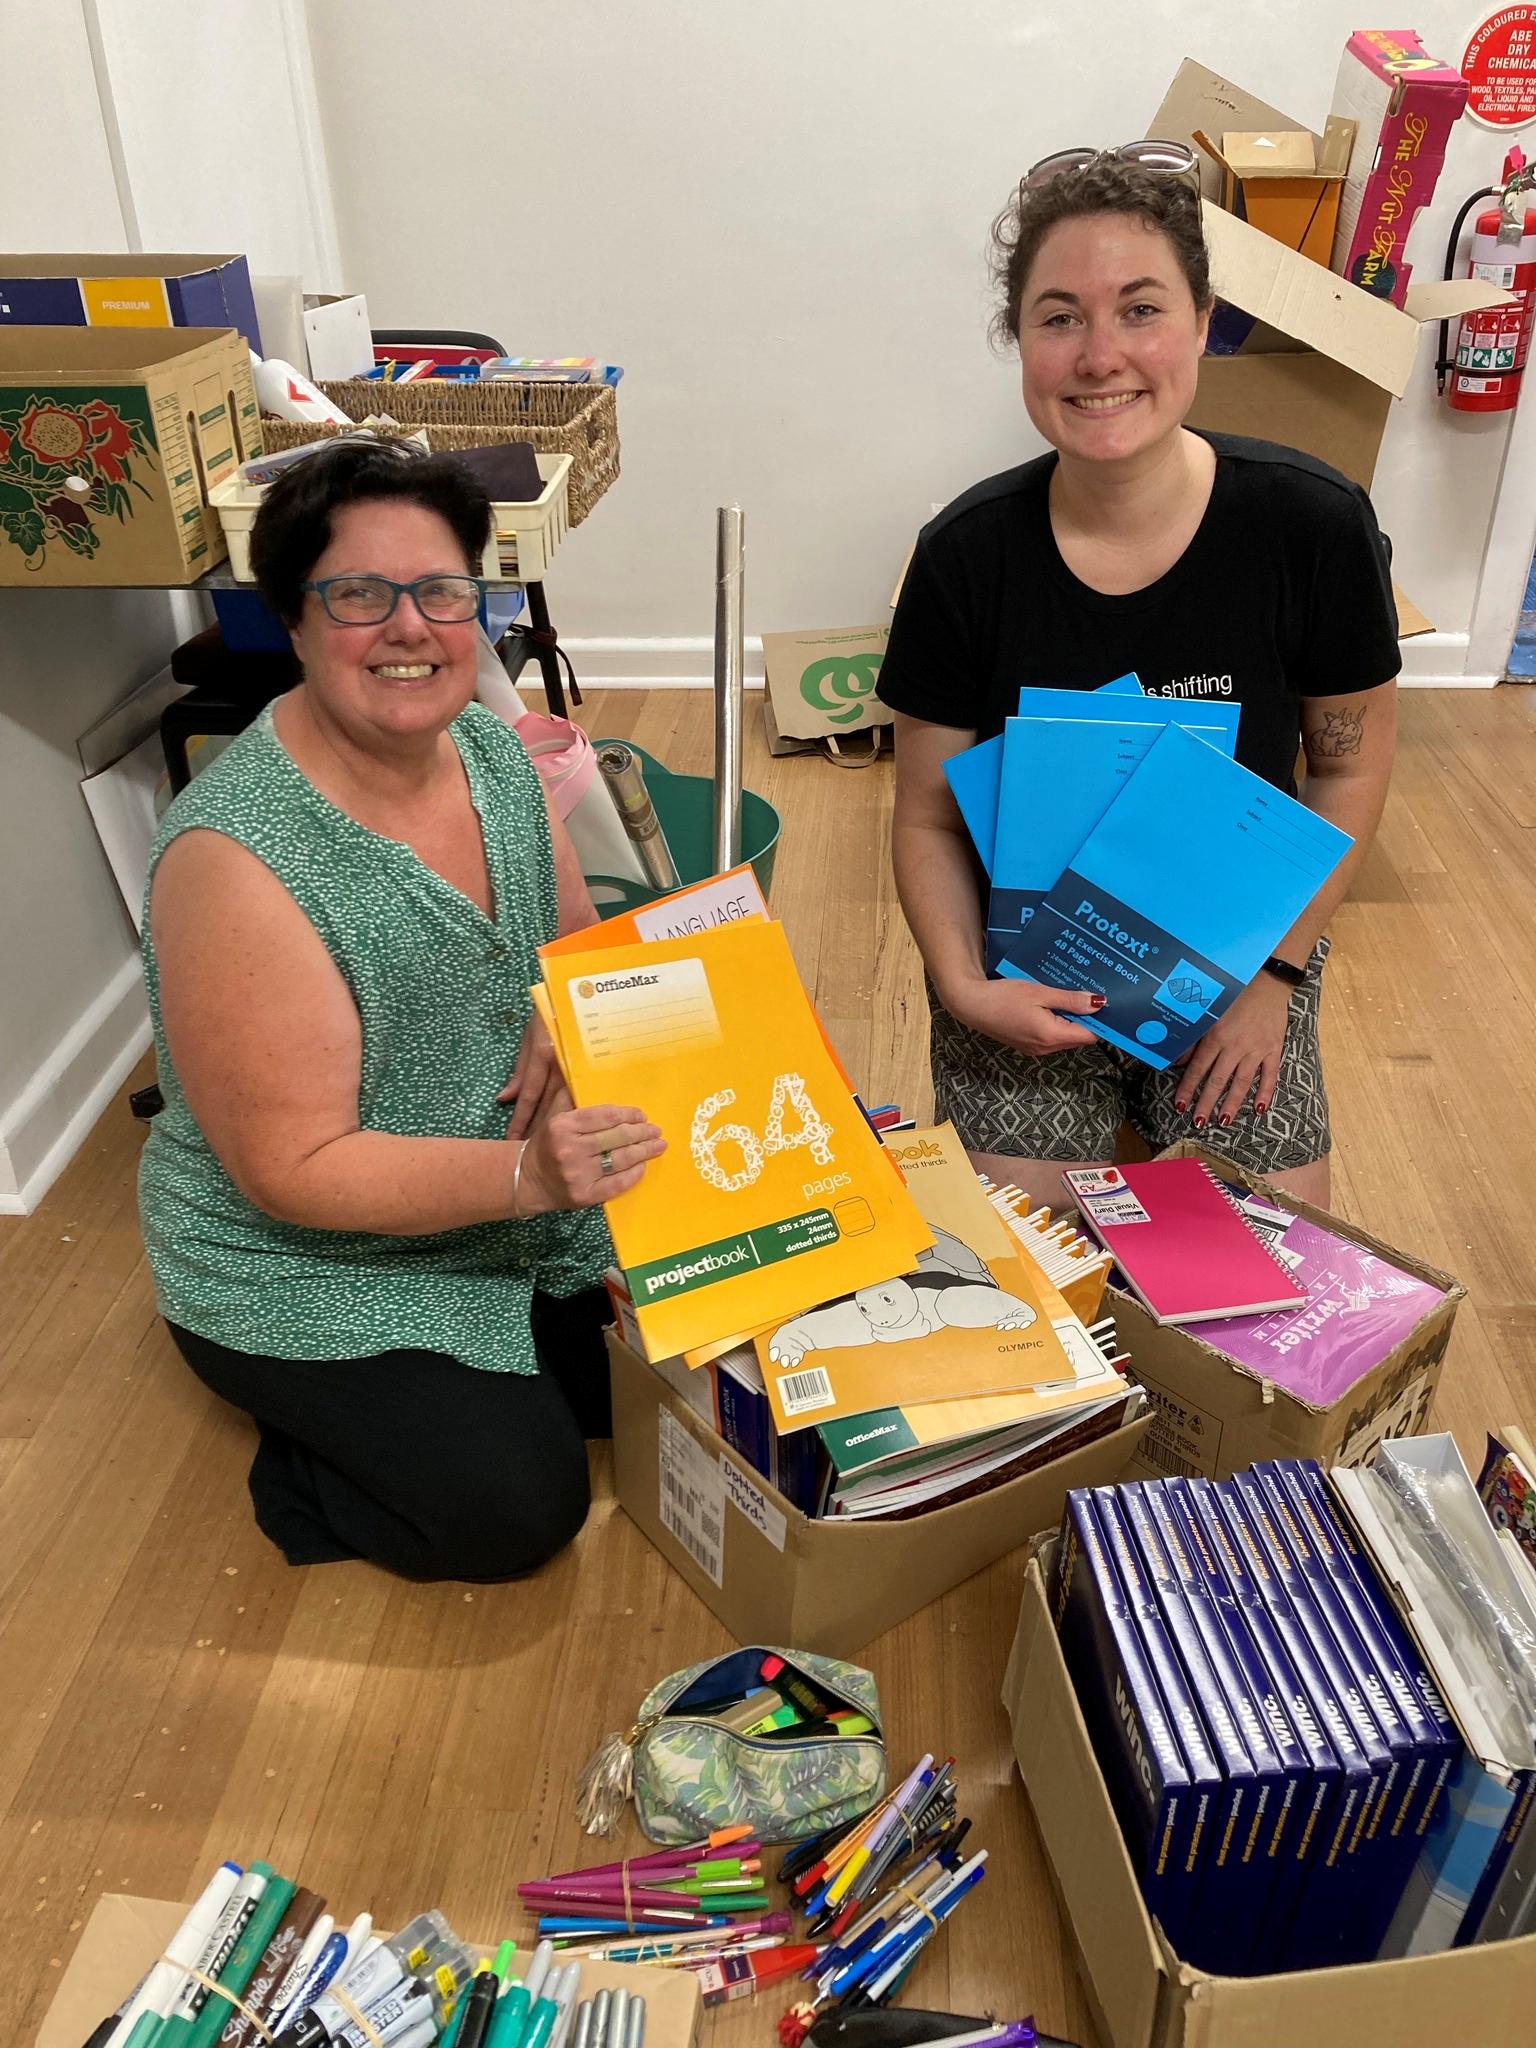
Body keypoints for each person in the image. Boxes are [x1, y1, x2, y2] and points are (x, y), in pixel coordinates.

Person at [138, 438, 664, 1580]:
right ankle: (306, 1441)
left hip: (514, 1176)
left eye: (440, 591)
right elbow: (295, 1165)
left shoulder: (486, 744)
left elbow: (577, 943)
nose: (411, 627)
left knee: (682, 1368)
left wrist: (559, 1010)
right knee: (518, 1511)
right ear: (295, 617)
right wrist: (530, 1178)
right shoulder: (238, 859)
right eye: (360, 595)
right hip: (304, 1253)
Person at [876, 147, 1400, 1210]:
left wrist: (1276, 981)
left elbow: (1348, 779)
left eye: (1142, 309)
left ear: (1204, 320)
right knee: (1033, 1261)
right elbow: (928, 819)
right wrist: (967, 990)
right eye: (1059, 316)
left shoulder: (1311, 526)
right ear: (1019, 341)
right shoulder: (965, 555)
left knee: (1264, 1249)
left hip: (1242, 955)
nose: (1100, 354)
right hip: (1021, 963)